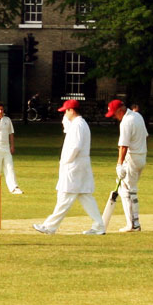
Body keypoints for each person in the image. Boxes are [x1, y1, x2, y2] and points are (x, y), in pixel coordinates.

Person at [33, 98, 106, 235]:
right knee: (85, 195)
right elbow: (69, 132)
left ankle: (49, 226)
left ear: (71, 110)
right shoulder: (79, 124)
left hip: (74, 165)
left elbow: (75, 146)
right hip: (79, 164)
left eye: (66, 111)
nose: (64, 114)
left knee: (65, 195)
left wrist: (66, 161)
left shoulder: (78, 125)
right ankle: (99, 226)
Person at [105, 98, 147, 232]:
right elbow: (145, 136)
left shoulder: (126, 122)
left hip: (132, 158)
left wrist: (119, 164)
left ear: (120, 111)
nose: (114, 117)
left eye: (114, 114)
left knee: (127, 191)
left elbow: (123, 146)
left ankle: (133, 224)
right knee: (129, 189)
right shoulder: (138, 116)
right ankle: (134, 223)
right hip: (141, 157)